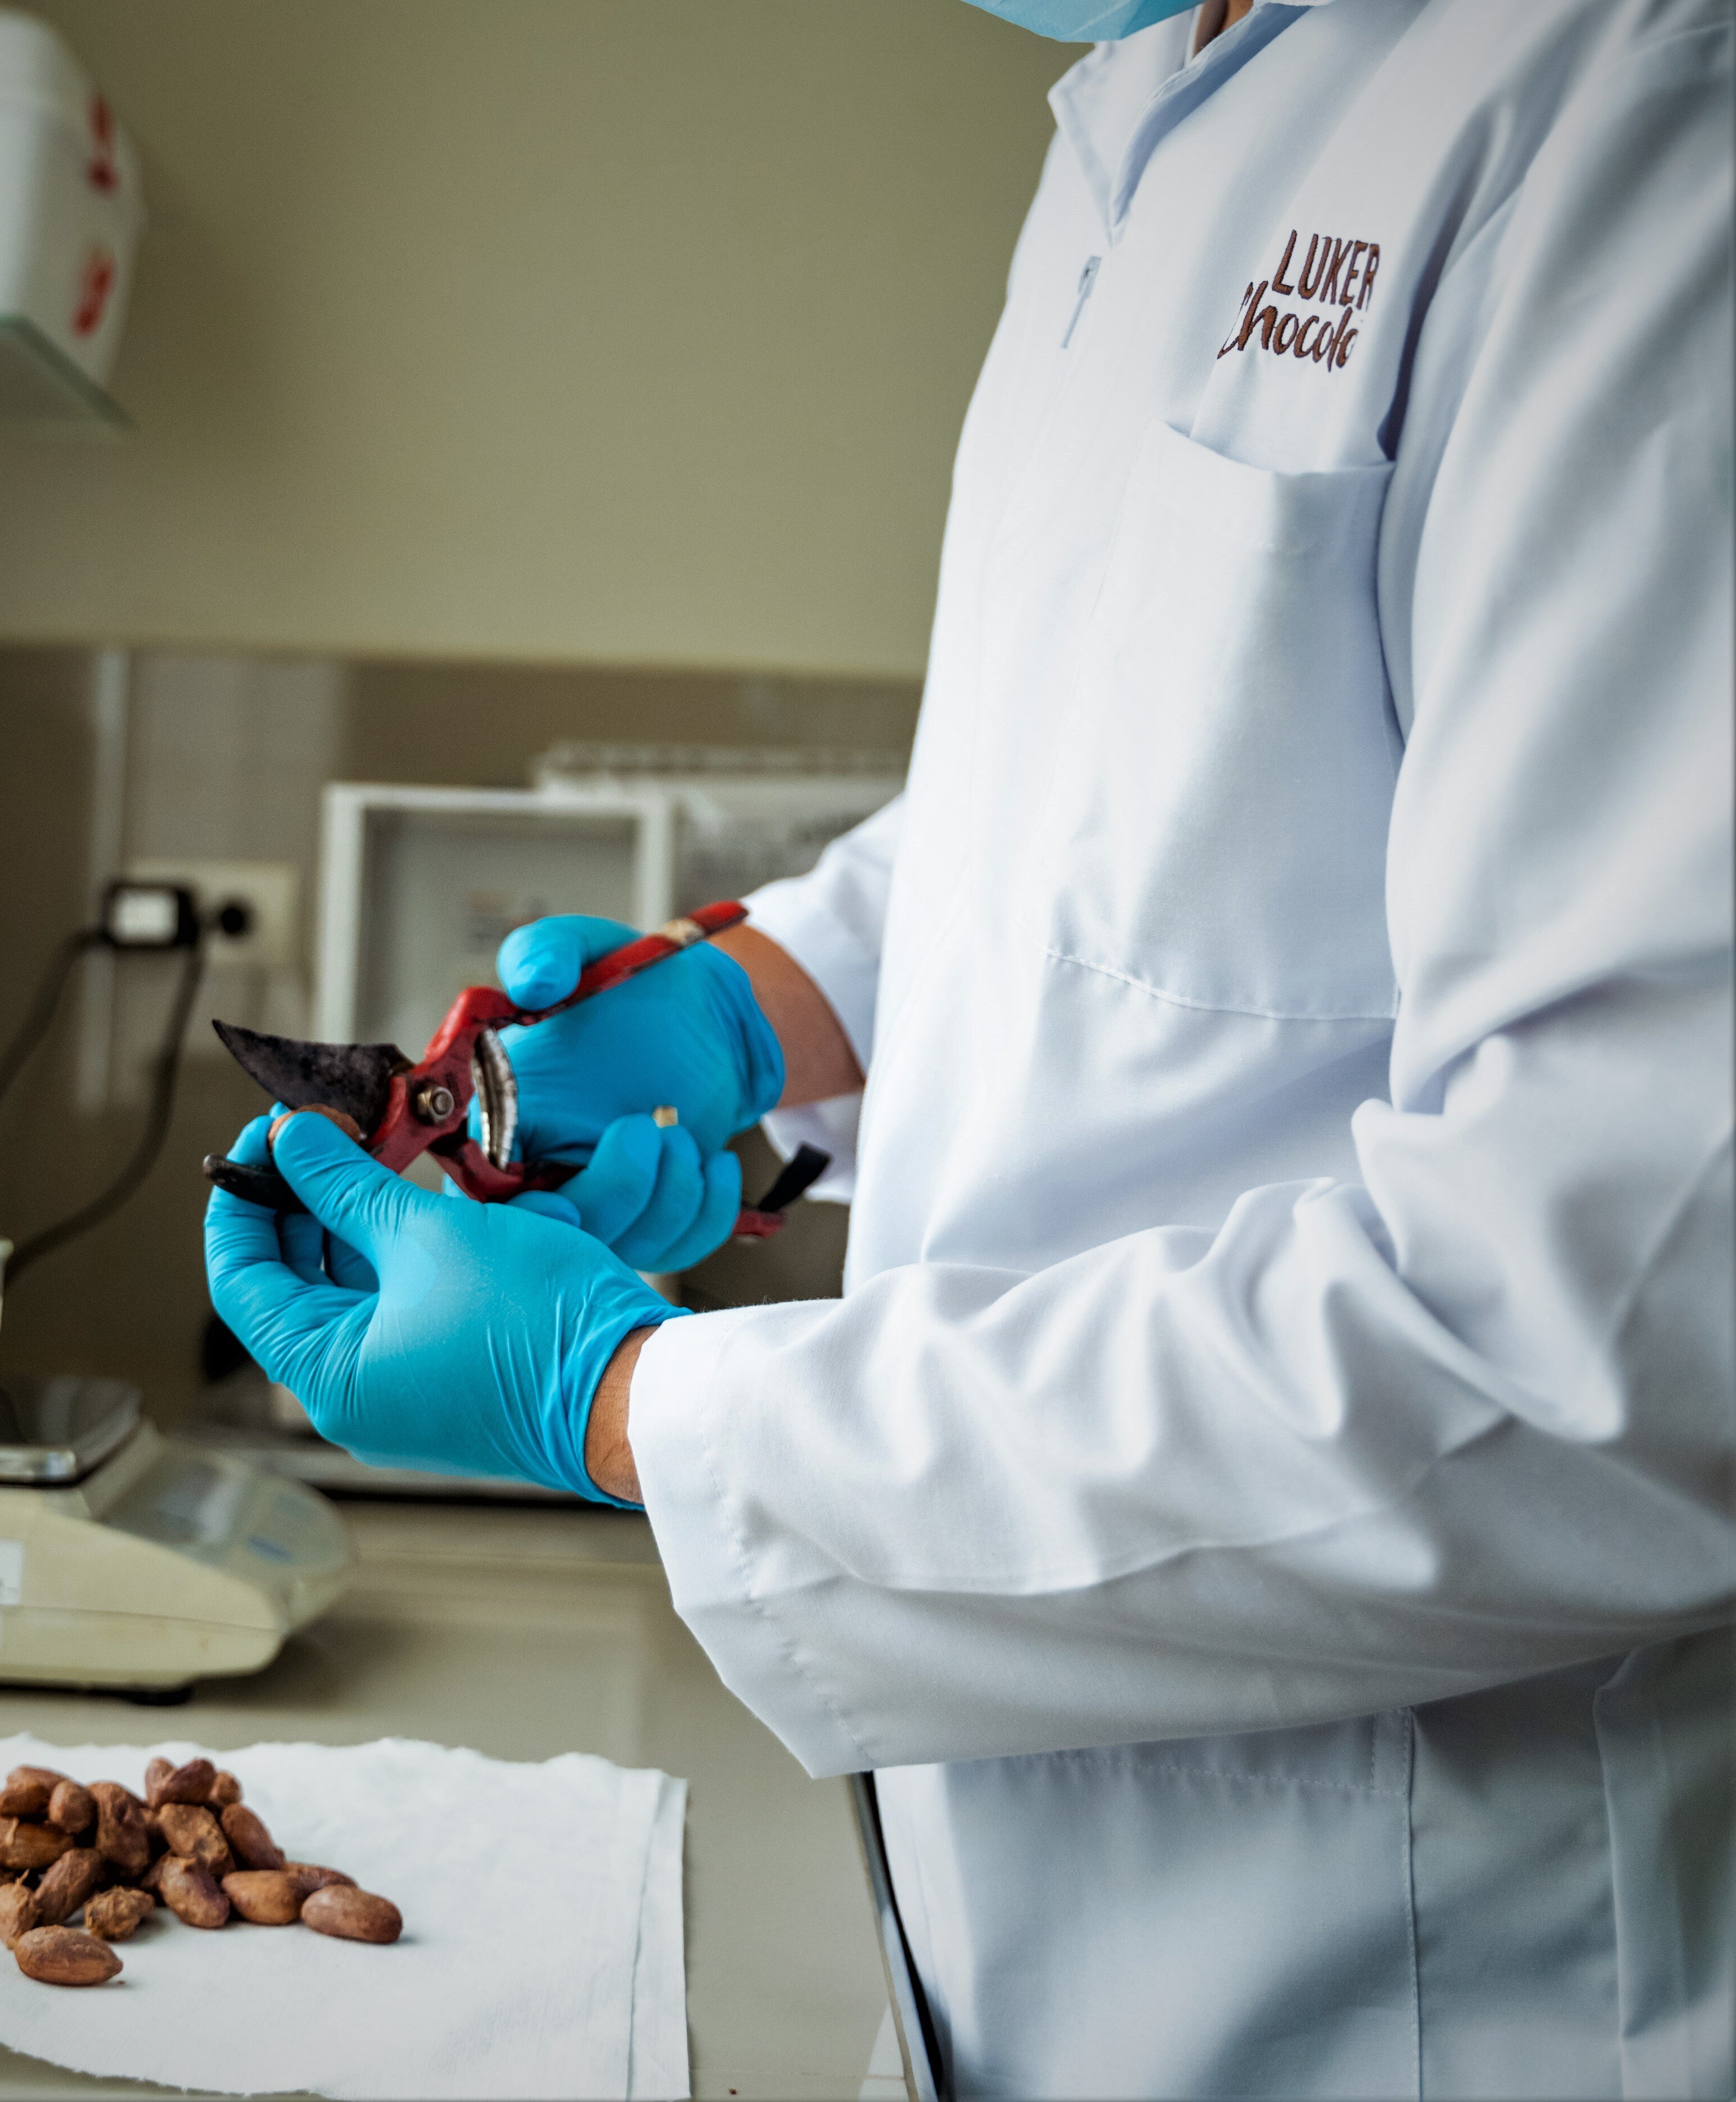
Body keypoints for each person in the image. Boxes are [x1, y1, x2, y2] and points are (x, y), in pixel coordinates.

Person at [207, 0, 1734, 2090]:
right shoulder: (1134, 146)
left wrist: (640, 1400)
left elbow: (1626, 1333)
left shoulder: (1631, 96)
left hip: (1428, 1990)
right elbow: (1112, 807)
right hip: (992, 1937)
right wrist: (766, 1012)